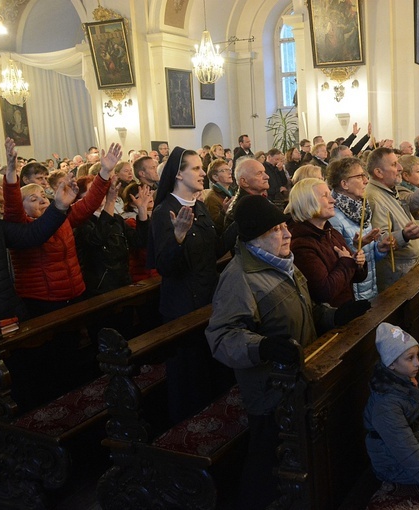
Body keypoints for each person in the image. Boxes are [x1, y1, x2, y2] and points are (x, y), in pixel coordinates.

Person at [205, 194, 368, 509]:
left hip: (298, 382)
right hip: (269, 393)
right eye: (277, 229)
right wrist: (263, 346)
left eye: (285, 226)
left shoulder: (283, 264)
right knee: (267, 466)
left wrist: (335, 316)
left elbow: (305, 310)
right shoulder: (240, 277)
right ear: (256, 238)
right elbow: (222, 337)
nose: (288, 233)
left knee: (299, 463)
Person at [0, 167, 77, 490]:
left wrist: (59, 207)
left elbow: (31, 236)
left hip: (7, 324)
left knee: (15, 394)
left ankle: (17, 463)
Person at [150, 146, 229, 421]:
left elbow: (214, 251)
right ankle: (189, 429)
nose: (202, 173)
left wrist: (235, 223)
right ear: (179, 174)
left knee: (211, 370)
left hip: (209, 299)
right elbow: (165, 267)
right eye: (195, 168)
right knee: (189, 376)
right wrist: (178, 237)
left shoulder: (199, 206)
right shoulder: (164, 212)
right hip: (182, 306)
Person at [4, 139, 116, 317]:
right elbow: (11, 208)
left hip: (74, 292)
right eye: (33, 199)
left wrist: (104, 172)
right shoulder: (21, 227)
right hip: (42, 299)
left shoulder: (61, 218)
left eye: (43, 196)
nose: (41, 200)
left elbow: (89, 204)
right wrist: (11, 174)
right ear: (22, 206)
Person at [363, 322, 419, 506]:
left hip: (415, 437)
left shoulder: (409, 378)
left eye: (417, 356)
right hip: (390, 461)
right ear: (392, 363)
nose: (418, 363)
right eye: (410, 358)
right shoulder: (385, 405)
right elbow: (408, 454)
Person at [365, 147, 419, 291]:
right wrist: (404, 236)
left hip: (407, 271)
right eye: (394, 164)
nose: (400, 168)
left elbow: (403, 225)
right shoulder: (374, 197)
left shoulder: (388, 190)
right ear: (378, 172)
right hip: (396, 277)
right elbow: (381, 239)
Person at [285, 178, 368, 307]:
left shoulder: (331, 232)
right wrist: (346, 263)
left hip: (347, 310)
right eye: (325, 196)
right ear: (307, 202)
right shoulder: (301, 245)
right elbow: (323, 292)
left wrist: (358, 263)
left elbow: (355, 277)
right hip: (332, 320)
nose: (333, 200)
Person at [326, 157, 393, 301]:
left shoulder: (361, 209)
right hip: (353, 292)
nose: (366, 181)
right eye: (359, 176)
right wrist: (357, 247)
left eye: (365, 175)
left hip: (369, 286)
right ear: (344, 184)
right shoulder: (334, 217)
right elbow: (337, 262)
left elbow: (368, 253)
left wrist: (379, 248)